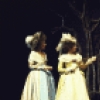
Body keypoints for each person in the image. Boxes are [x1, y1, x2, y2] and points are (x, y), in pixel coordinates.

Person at [55, 33, 96, 100]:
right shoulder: (64, 57)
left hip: (78, 77)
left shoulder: (78, 56)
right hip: (68, 78)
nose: (75, 47)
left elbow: (82, 66)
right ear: (69, 47)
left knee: (79, 93)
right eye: (74, 46)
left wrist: (89, 62)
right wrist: (69, 69)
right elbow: (59, 69)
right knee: (69, 93)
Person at [20, 31, 55, 100]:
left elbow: (44, 64)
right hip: (36, 75)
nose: (45, 44)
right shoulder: (33, 53)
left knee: (46, 91)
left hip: (45, 75)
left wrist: (47, 67)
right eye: (44, 42)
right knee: (37, 92)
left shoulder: (44, 54)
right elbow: (30, 66)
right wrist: (41, 67)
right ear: (39, 44)